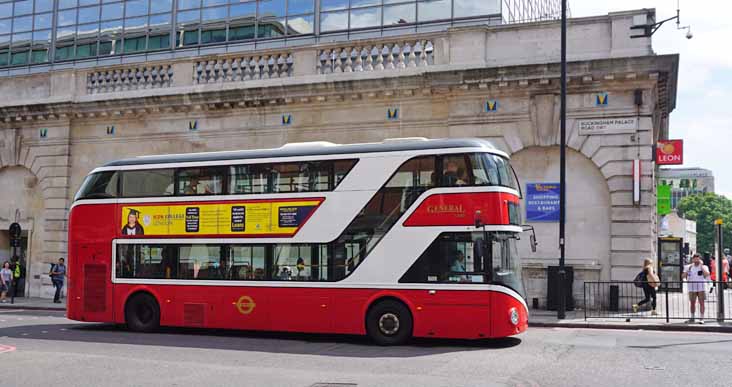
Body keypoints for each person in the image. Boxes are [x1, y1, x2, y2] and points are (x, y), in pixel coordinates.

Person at [682, 253, 710, 324]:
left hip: (701, 287)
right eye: (695, 259)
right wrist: (687, 270)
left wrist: (701, 266)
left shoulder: (704, 267)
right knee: (692, 303)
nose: (696, 261)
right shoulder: (688, 267)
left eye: (698, 259)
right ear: (692, 259)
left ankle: (702, 318)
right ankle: (692, 317)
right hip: (691, 287)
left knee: (702, 303)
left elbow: (707, 274)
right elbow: (683, 276)